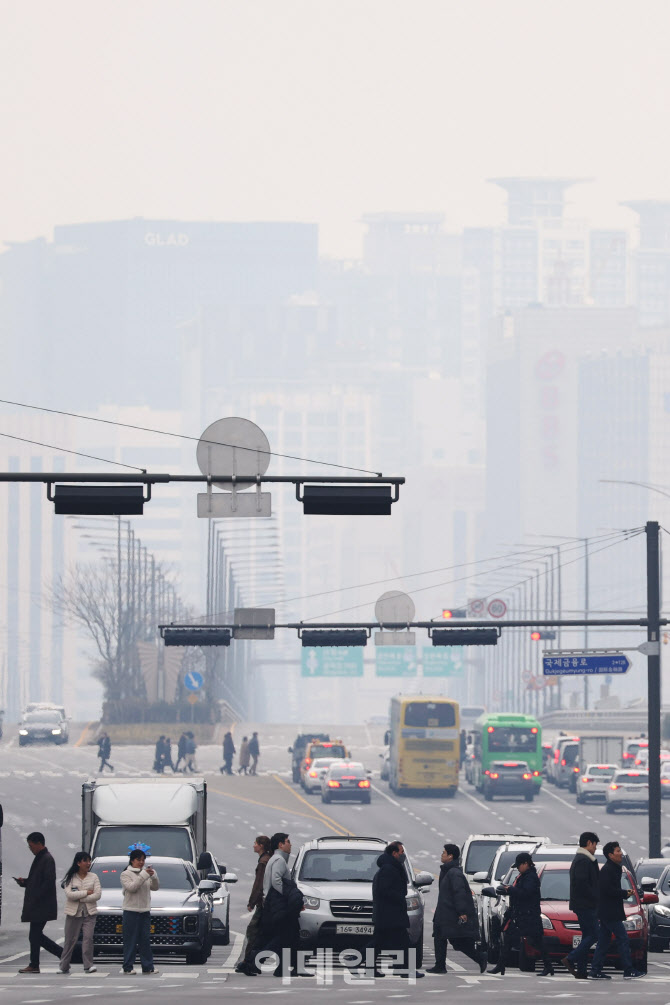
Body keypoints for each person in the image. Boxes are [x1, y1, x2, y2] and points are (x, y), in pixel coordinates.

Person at [488, 851, 554, 977]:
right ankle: (500, 965)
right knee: (508, 939)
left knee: (537, 942)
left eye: (519, 865)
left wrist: (511, 890)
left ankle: (548, 966)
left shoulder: (531, 877)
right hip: (520, 915)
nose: (518, 868)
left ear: (526, 864)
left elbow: (525, 893)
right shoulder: (524, 876)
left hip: (529, 917)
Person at [427, 843, 487, 974]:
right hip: (445, 913)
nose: (441, 855)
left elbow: (459, 892)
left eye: (444, 853)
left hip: (450, 914)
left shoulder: (454, 873)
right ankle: (440, 965)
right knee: (440, 937)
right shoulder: (448, 871)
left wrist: (461, 912)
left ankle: (480, 958)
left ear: (450, 856)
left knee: (457, 941)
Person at [589, 841, 645, 980]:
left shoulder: (615, 868)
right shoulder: (608, 870)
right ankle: (628, 970)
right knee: (623, 938)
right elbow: (607, 890)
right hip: (609, 912)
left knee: (603, 941)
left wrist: (624, 893)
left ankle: (595, 970)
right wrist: (625, 893)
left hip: (610, 911)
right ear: (610, 855)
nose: (620, 854)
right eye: (618, 851)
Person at [371, 841, 424, 978]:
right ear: (394, 853)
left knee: (378, 942)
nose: (403, 855)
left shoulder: (391, 867)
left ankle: (369, 966)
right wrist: (400, 896)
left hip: (389, 913)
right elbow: (385, 890)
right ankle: (407, 970)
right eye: (401, 852)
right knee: (404, 943)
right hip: (390, 913)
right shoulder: (389, 869)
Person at [260, 833, 307, 978]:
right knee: (283, 938)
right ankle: (256, 959)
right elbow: (276, 881)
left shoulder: (275, 859)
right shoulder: (279, 860)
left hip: (275, 905)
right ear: (280, 844)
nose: (290, 844)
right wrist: (289, 897)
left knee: (290, 938)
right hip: (280, 906)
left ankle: (289, 968)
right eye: (288, 841)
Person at [15, 831, 63, 974]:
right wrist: (25, 882)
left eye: (31, 846)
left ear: (38, 844)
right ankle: (63, 955)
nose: (30, 849)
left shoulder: (47, 859)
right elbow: (37, 881)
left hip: (41, 905)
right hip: (39, 904)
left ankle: (36, 964)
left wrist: (36, 896)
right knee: (35, 935)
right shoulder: (41, 858)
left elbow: (48, 882)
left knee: (34, 935)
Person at [562, 831, 600, 980]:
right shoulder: (583, 860)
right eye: (595, 844)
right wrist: (596, 897)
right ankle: (570, 958)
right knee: (594, 935)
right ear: (589, 843)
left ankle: (582, 969)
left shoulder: (583, 859)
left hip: (584, 904)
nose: (596, 848)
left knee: (587, 935)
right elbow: (582, 884)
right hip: (586, 904)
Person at [59, 851, 101, 974]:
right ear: (78, 863)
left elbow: (97, 895)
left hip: (89, 912)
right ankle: (64, 966)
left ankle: (88, 965)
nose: (88, 863)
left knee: (88, 939)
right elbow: (70, 895)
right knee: (70, 940)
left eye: (89, 861)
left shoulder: (94, 877)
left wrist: (81, 897)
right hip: (73, 913)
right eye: (85, 861)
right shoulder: (71, 878)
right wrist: (86, 892)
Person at [235, 835, 271, 976]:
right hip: (266, 903)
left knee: (253, 931)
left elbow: (259, 884)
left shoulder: (263, 862)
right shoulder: (266, 859)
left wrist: (252, 902)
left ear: (261, 846)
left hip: (262, 904)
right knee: (261, 933)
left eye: (255, 843)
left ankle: (248, 962)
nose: (253, 845)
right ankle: (253, 962)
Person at [120, 849, 160, 975]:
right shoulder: (126, 873)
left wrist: (153, 876)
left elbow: (155, 887)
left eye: (143, 860)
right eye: (138, 860)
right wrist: (143, 875)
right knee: (130, 940)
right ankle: (128, 967)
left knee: (145, 940)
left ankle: (148, 966)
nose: (141, 862)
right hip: (131, 911)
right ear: (132, 860)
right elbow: (132, 887)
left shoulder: (145, 873)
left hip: (144, 910)